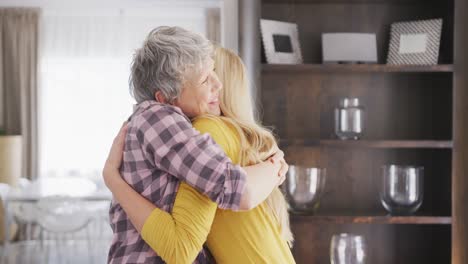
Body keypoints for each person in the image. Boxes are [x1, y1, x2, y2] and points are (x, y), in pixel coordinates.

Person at [106, 26, 288, 264]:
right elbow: (236, 190)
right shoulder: (157, 118)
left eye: (214, 72)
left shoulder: (158, 125)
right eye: (205, 79)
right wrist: (276, 167)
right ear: (165, 98)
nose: (218, 85)